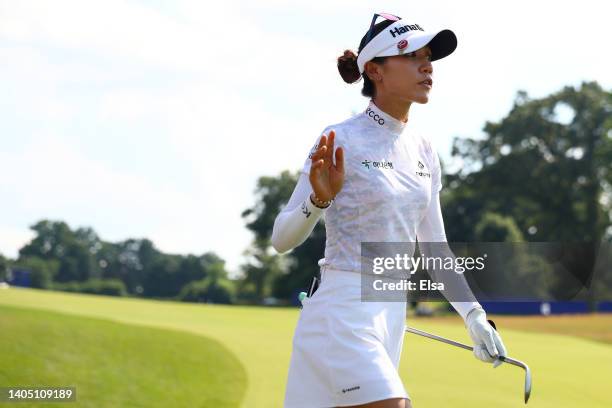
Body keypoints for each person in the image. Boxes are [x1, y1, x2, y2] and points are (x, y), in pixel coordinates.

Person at [272, 12, 507, 408]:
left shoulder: (424, 149)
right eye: (411, 55)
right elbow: (281, 239)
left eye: (429, 56)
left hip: (390, 312)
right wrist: (318, 201)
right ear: (375, 70)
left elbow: (435, 249)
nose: (427, 65)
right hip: (343, 306)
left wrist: (474, 316)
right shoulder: (339, 138)